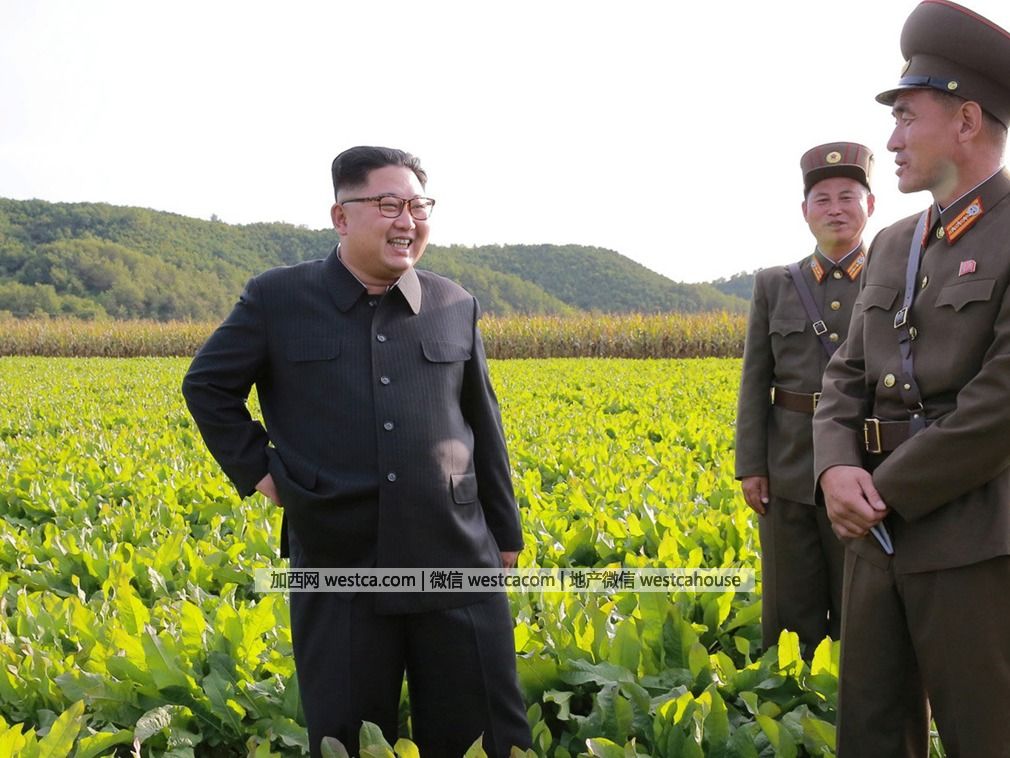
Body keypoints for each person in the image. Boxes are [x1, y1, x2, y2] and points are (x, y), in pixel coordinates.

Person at [182, 146, 532, 757]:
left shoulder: (454, 303)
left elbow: (483, 422)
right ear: (341, 217)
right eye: (389, 205)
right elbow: (207, 386)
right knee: (348, 737)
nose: (407, 221)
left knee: (485, 736)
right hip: (338, 559)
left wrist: (505, 535)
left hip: (456, 555)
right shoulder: (278, 299)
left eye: (418, 206)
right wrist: (262, 471)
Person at [813, 2, 1010, 754]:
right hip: (872, 537)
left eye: (904, 117)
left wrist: (881, 492)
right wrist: (835, 466)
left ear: (966, 120)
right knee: (870, 732)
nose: (891, 140)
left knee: (985, 734)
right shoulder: (895, 244)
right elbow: (846, 372)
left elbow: (999, 406)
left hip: (972, 541)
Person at [735, 142, 875, 656]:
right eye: (823, 199)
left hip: (865, 464)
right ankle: (789, 692)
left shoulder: (893, 280)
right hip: (788, 464)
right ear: (805, 211)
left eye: (847, 197)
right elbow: (755, 381)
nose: (835, 209)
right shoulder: (774, 285)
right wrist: (752, 466)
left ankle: (855, 692)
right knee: (789, 604)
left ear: (870, 205)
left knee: (863, 599)